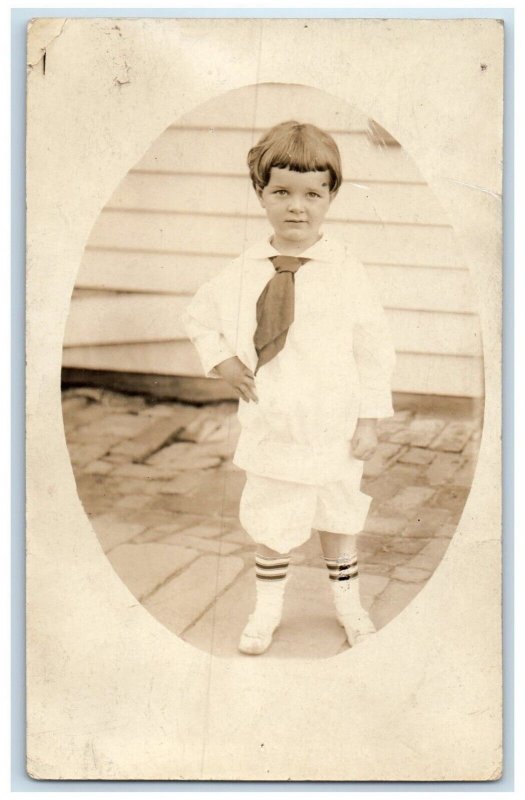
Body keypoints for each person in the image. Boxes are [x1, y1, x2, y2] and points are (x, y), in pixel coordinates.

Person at [183, 120, 396, 655]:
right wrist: (224, 361)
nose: (296, 207)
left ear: (330, 196)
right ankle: (267, 608)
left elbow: (372, 347)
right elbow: (199, 316)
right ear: (261, 194)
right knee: (272, 517)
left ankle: (348, 604)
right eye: (281, 192)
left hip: (333, 425)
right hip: (274, 424)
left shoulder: (346, 271)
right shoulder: (243, 270)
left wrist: (369, 418)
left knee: (338, 511)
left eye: (311, 194)